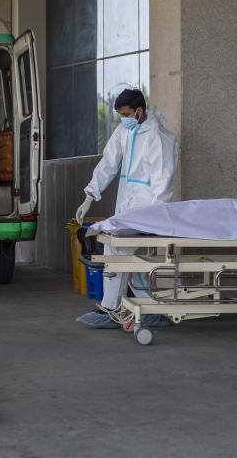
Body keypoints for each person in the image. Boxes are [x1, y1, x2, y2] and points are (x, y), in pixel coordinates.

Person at [74, 88, 178, 329]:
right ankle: (145, 307)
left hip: (145, 209)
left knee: (119, 253)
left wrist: (155, 220)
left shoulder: (157, 137)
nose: (123, 118)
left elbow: (163, 183)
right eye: (121, 114)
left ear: (139, 111)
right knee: (125, 255)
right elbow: (109, 162)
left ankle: (111, 308)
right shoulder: (125, 131)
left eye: (126, 113)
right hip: (126, 207)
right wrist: (90, 195)